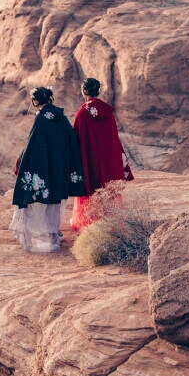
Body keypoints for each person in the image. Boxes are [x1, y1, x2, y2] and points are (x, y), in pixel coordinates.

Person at [10, 86, 86, 253]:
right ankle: (52, 236)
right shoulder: (61, 117)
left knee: (39, 203)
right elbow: (71, 141)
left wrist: (23, 160)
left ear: (35, 101)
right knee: (54, 202)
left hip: (44, 166)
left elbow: (33, 144)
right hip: (59, 167)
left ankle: (43, 240)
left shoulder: (41, 119)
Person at [71, 77, 134, 231]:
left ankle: (90, 224)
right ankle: (111, 224)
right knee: (107, 189)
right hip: (108, 159)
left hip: (91, 160)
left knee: (91, 188)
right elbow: (113, 138)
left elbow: (76, 140)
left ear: (85, 91)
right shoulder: (108, 112)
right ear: (97, 91)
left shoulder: (82, 114)